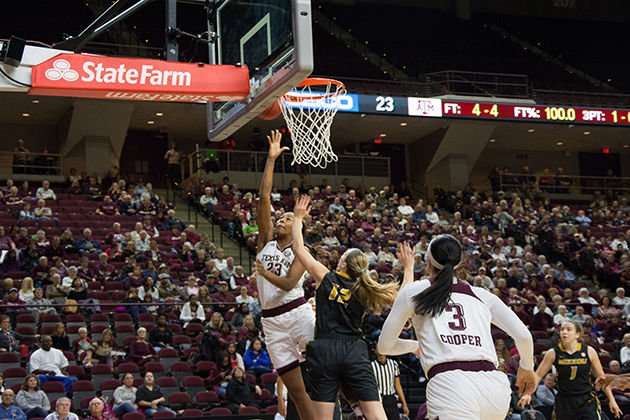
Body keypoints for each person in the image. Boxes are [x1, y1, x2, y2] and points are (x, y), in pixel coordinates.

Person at [377, 234, 537, 420]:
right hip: (494, 389)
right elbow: (524, 336)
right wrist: (527, 367)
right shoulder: (483, 295)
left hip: (451, 387)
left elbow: (384, 346)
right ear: (459, 264)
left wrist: (414, 346)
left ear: (428, 263)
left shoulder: (413, 292)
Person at [292, 194, 400, 420]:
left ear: (343, 263)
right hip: (354, 349)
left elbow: (299, 249)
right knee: (376, 415)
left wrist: (298, 219)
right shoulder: (367, 289)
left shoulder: (326, 277)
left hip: (325, 348)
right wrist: (408, 267)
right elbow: (402, 300)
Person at [253, 130, 315, 420]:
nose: (280, 220)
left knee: (324, 375)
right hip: (271, 322)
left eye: (288, 218)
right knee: (297, 391)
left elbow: (291, 283)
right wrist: (271, 160)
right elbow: (264, 196)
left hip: (298, 314)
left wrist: (264, 273)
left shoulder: (302, 251)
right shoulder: (265, 240)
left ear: (298, 227)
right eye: (280, 217)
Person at [518, 321, 622, 419]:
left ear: (577, 334)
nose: (564, 332)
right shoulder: (553, 353)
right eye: (562, 329)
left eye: (569, 329)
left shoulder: (589, 351)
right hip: (564, 400)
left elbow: (602, 378)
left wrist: (612, 400)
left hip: (586, 399)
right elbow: (538, 375)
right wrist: (528, 393)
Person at [371, 351, 409, 420]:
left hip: (391, 399)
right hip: (378, 400)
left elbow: (397, 385)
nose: (380, 351)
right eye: (378, 348)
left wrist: (404, 404)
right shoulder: (372, 365)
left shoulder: (393, 364)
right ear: (375, 351)